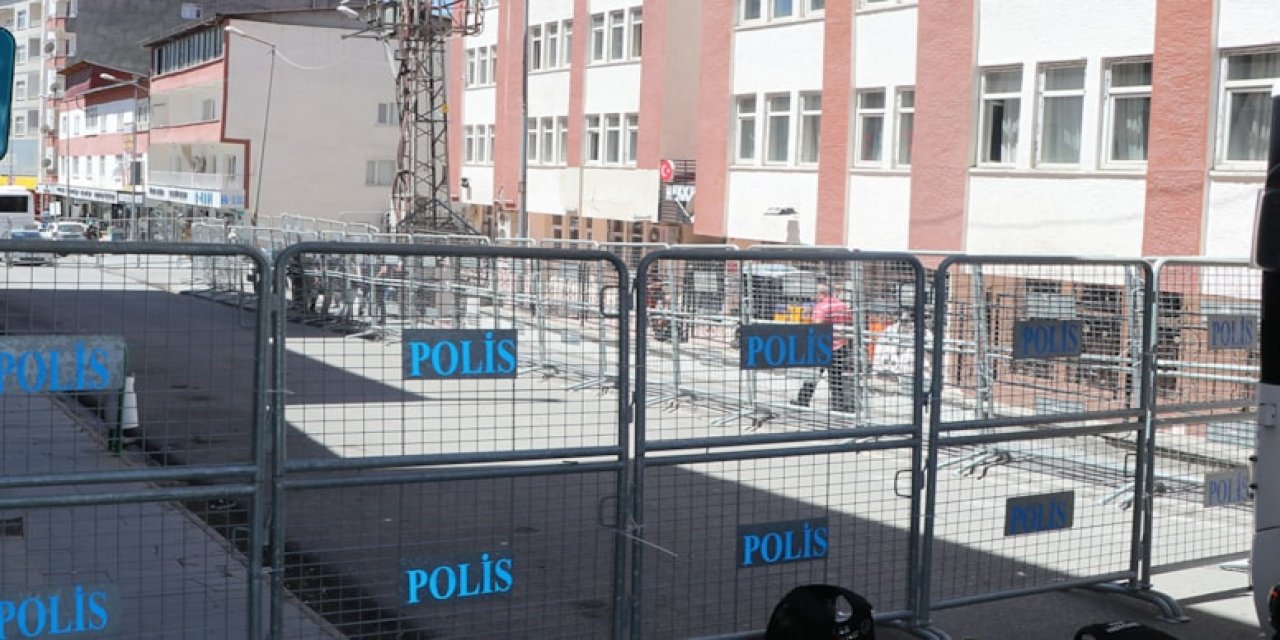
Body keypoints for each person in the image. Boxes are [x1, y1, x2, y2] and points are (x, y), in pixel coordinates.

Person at [793, 284, 855, 412]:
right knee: (836, 377)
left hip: (822, 346)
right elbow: (849, 322)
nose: (813, 298)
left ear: (821, 294)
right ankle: (838, 405)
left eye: (815, 295)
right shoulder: (842, 305)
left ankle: (803, 401)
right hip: (840, 345)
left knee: (812, 375)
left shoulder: (820, 307)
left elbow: (818, 327)